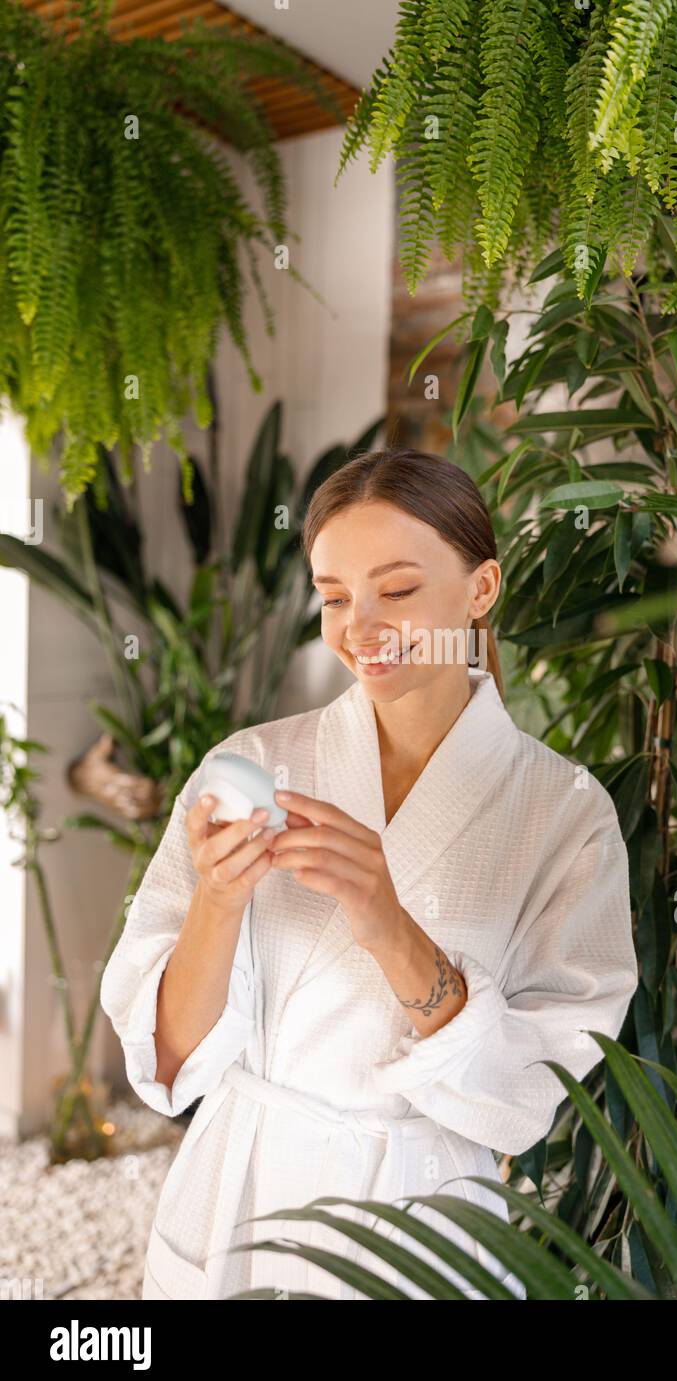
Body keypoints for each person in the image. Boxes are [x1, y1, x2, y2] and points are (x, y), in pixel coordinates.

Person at [100, 447, 638, 1301]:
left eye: (396, 590)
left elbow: (526, 1100)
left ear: (481, 588)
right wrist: (219, 898)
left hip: (421, 1221)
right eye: (335, 597)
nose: (360, 628)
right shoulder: (251, 763)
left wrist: (388, 924)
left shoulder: (564, 814)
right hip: (242, 1195)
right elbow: (166, 1063)